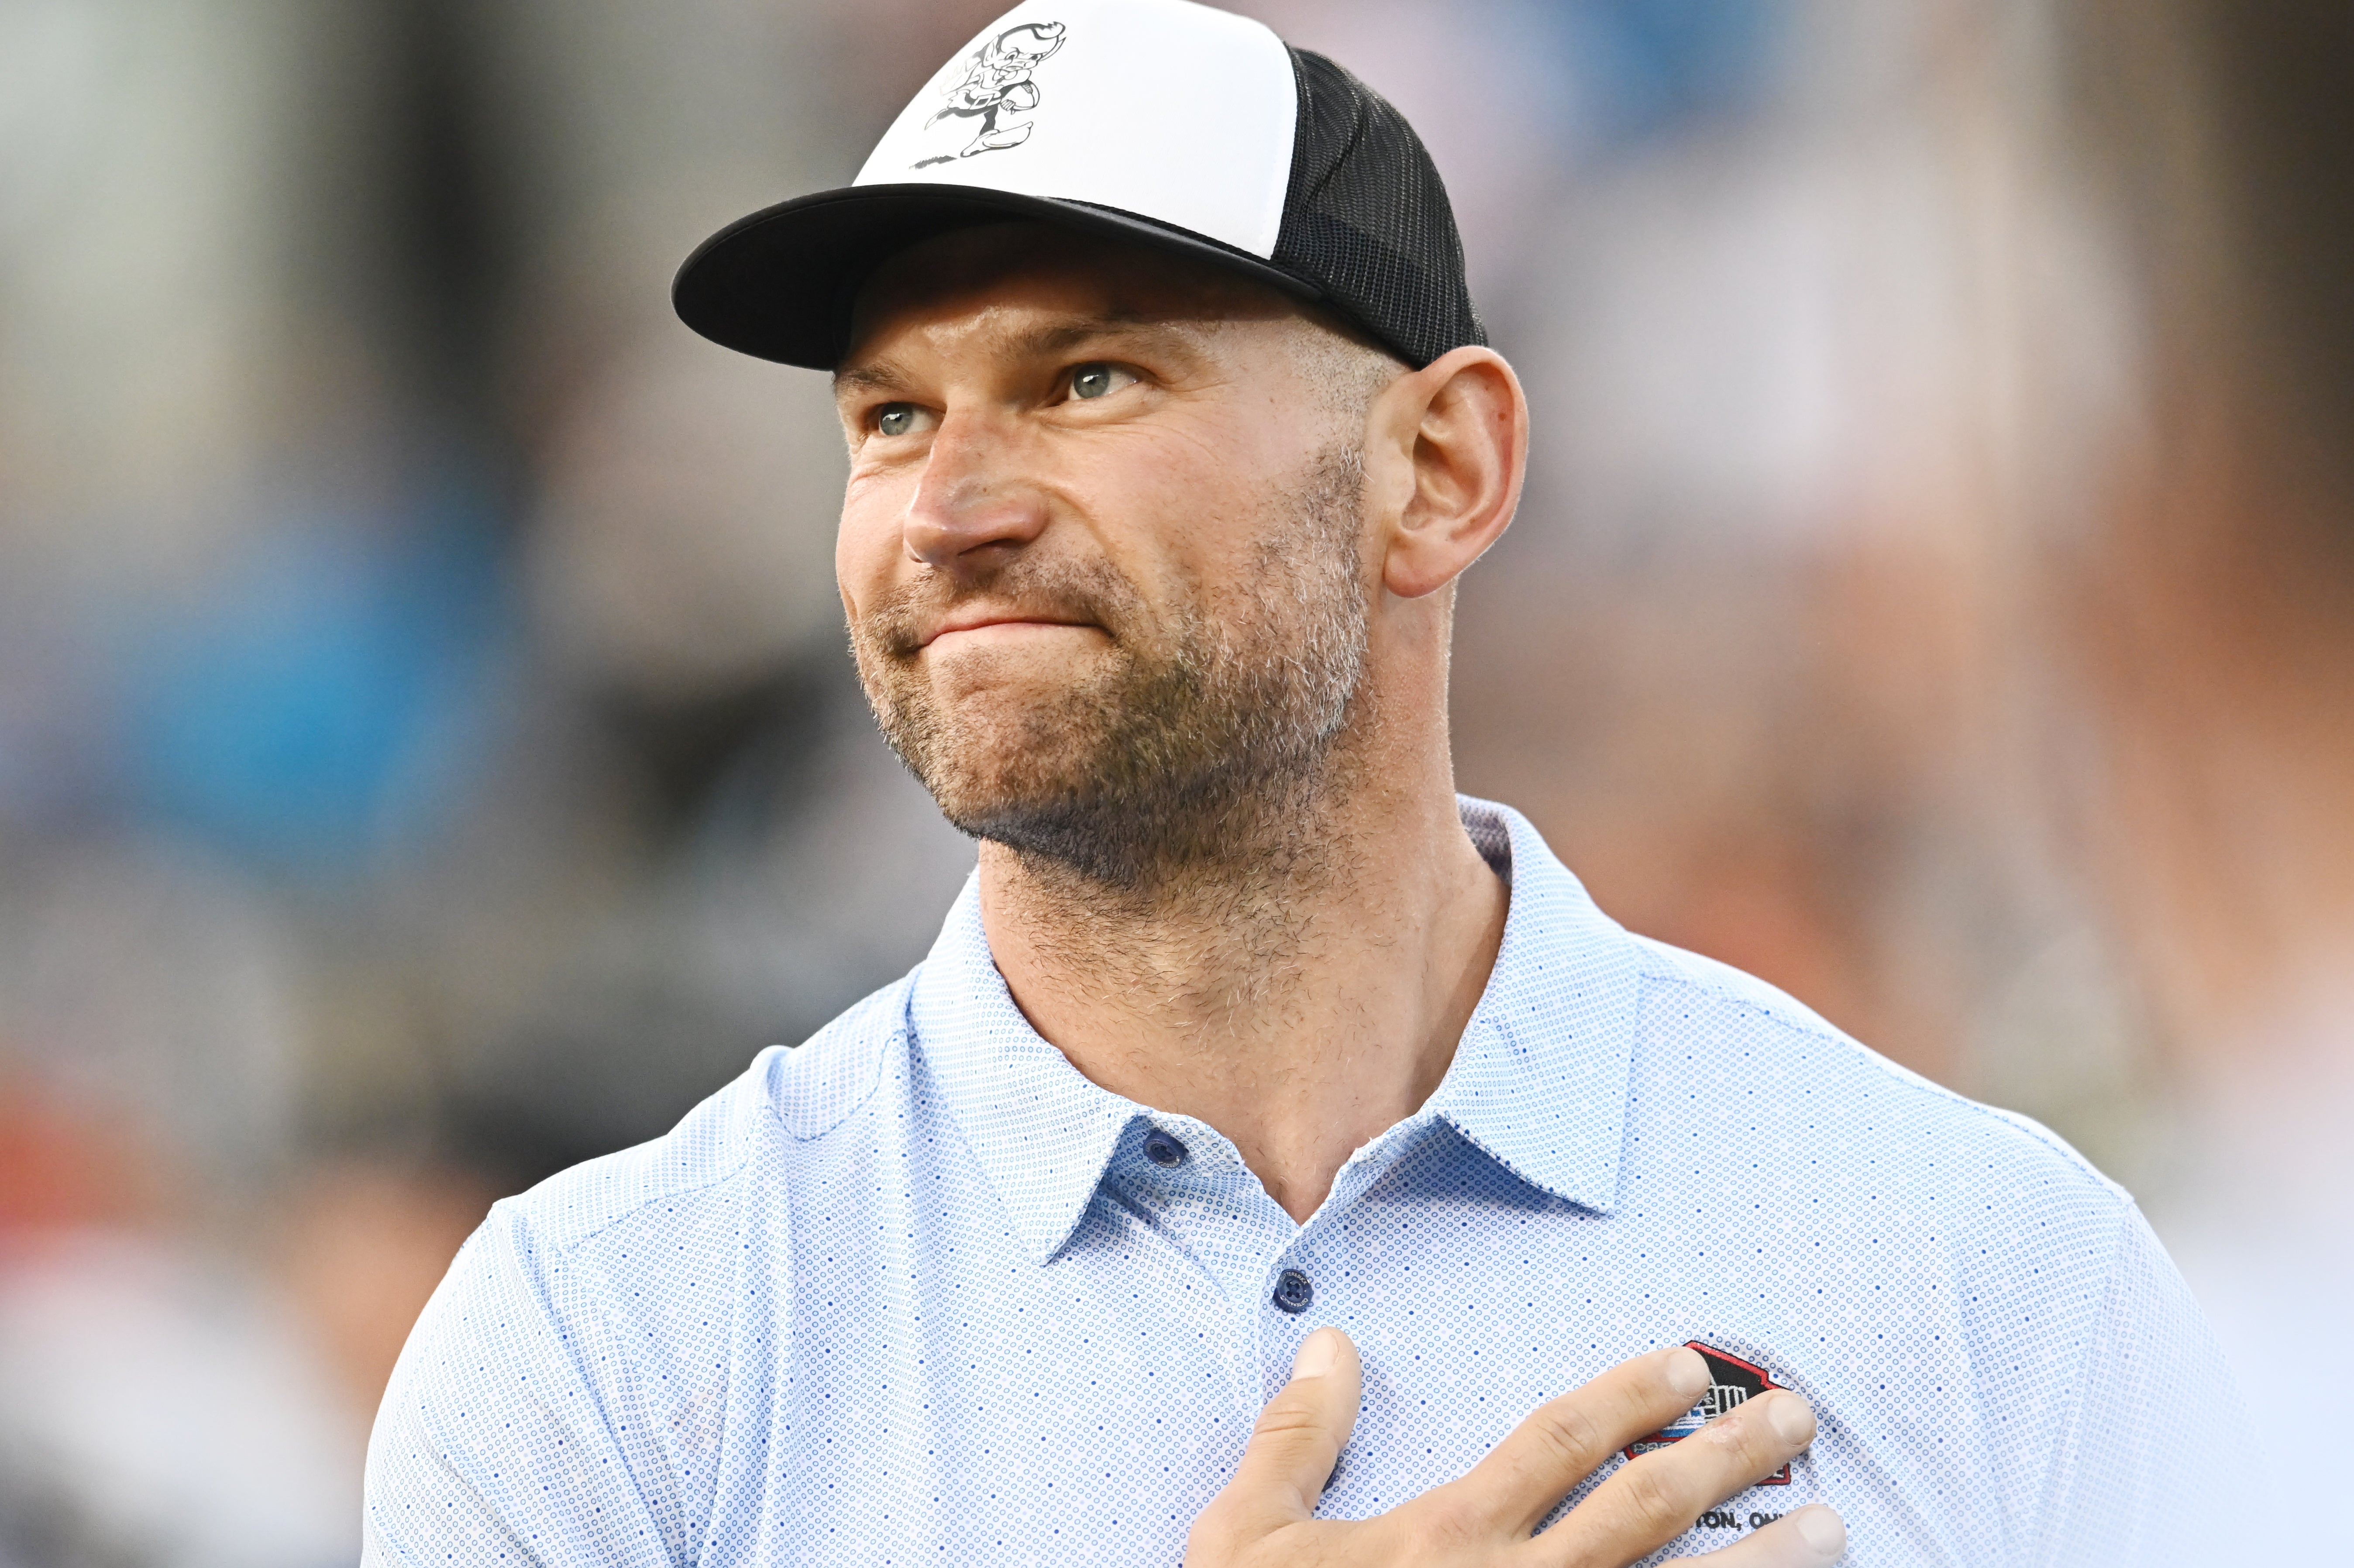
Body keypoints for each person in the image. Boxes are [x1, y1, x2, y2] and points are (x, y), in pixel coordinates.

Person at [362, 3, 2258, 1562]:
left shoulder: (1987, 1273)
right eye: (892, 415)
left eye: (1089, 380)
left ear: (1440, 469)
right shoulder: (609, 1348)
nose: (948, 509)